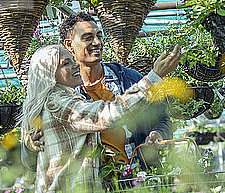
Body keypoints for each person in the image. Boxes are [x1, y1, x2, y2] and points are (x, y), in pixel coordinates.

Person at [21, 44, 181, 193]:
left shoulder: (57, 100)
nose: (76, 65)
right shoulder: (57, 103)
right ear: (49, 74)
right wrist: (154, 77)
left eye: (72, 59)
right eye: (66, 63)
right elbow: (106, 115)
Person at [30, 12, 172, 163]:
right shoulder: (63, 95)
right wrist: (30, 144)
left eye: (99, 35)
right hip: (94, 182)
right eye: (88, 38)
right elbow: (31, 159)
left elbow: (162, 118)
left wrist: (159, 133)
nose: (97, 42)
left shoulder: (129, 79)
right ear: (69, 45)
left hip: (139, 175)